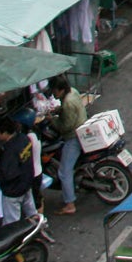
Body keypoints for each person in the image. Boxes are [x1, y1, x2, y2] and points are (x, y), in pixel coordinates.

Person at [0, 117, 37, 225]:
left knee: (12, 223)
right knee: (32, 214)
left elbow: (9, 174)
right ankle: (38, 230)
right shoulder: (24, 139)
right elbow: (19, 161)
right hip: (27, 183)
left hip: (14, 190)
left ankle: (16, 240)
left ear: (4, 132)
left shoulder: (9, 149)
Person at [50, 76, 87, 215]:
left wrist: (52, 120)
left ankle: (70, 204)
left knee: (64, 172)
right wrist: (58, 111)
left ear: (60, 90)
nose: (53, 94)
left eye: (55, 91)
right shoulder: (74, 92)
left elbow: (66, 126)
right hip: (82, 128)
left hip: (74, 137)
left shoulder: (68, 103)